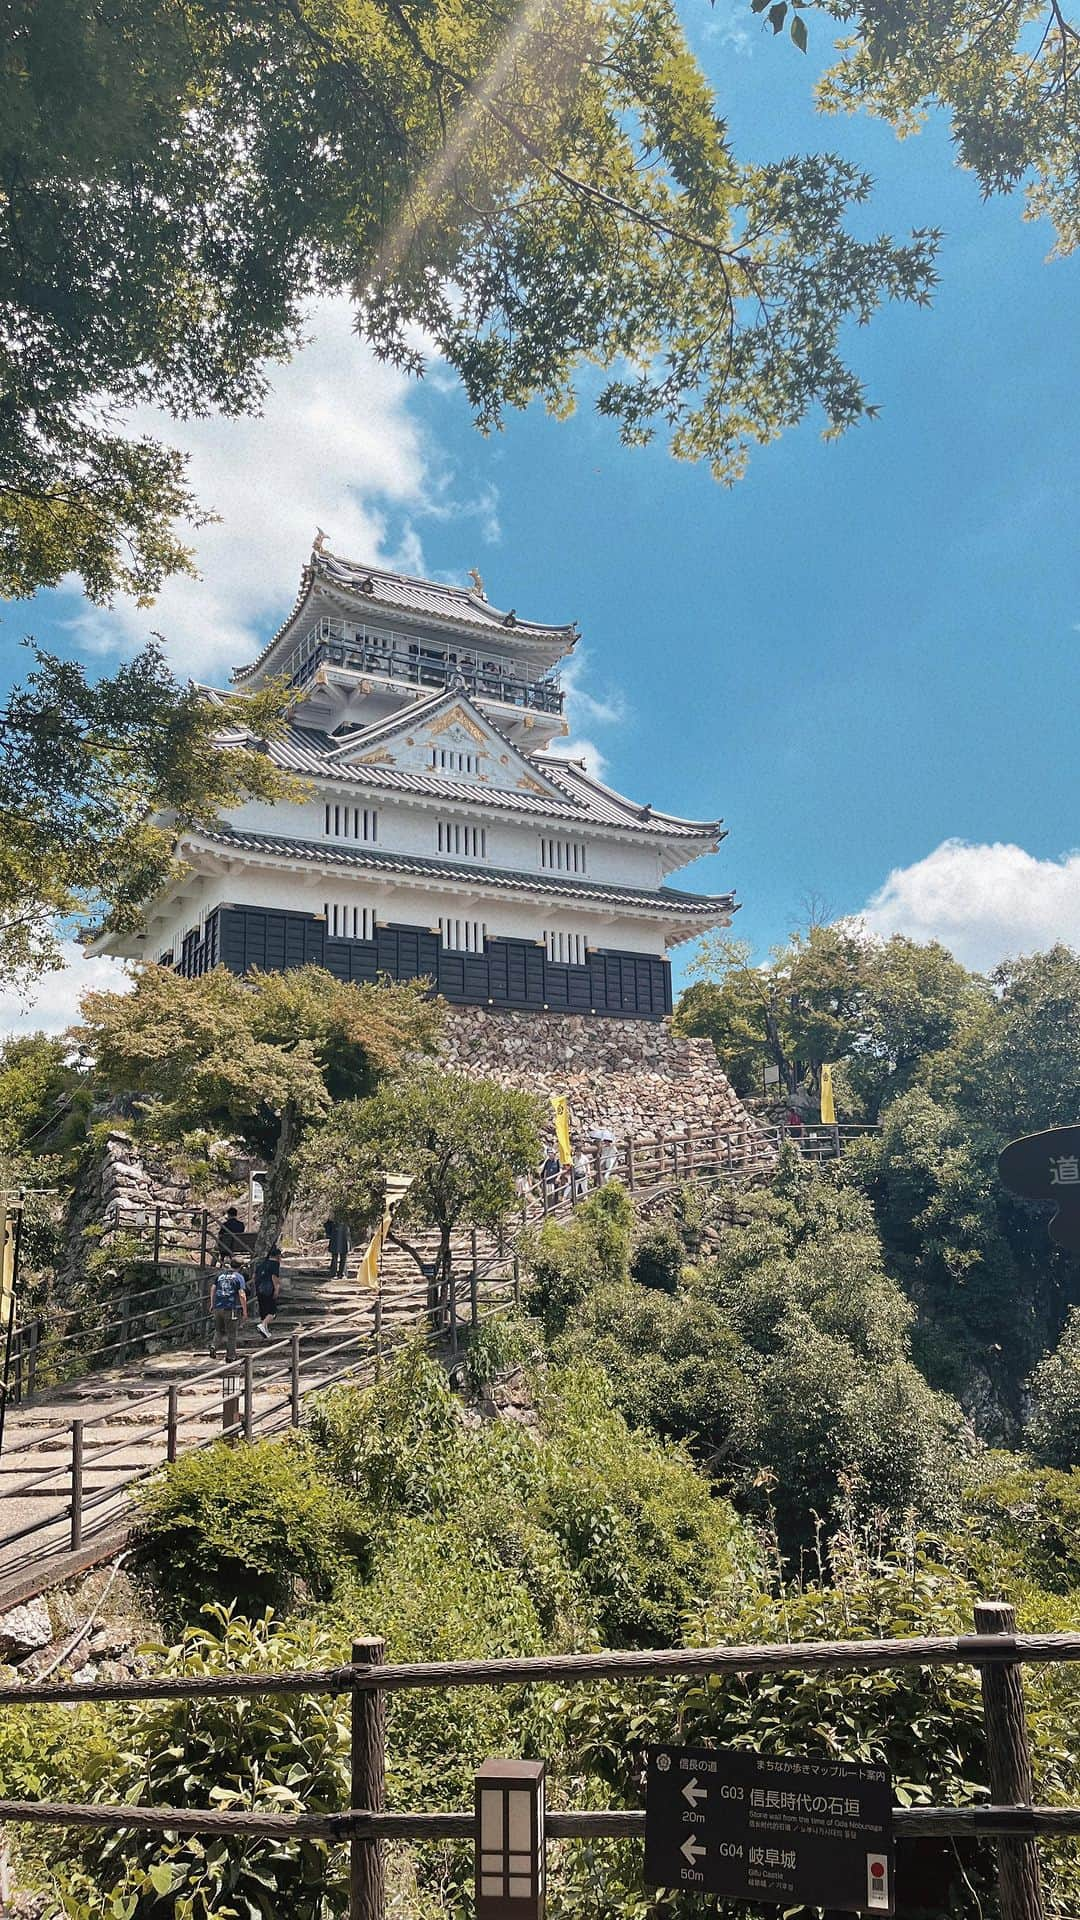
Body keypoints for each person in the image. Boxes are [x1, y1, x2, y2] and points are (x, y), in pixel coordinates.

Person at [208, 1262, 247, 1363]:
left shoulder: (220, 1275)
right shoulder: (238, 1277)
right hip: (231, 1307)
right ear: (241, 1267)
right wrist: (245, 1311)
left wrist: (212, 1304)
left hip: (218, 1307)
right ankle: (231, 1356)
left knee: (219, 1330)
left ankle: (214, 1346)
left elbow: (213, 1289)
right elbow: (241, 1294)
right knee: (232, 1333)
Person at [253, 1245, 281, 1338]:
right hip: (269, 1290)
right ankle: (263, 1325)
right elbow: (274, 1277)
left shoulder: (261, 1264)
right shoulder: (275, 1264)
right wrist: (276, 1289)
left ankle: (265, 1330)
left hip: (259, 1289)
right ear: (277, 1256)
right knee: (272, 1312)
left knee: (264, 1311)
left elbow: (254, 1277)